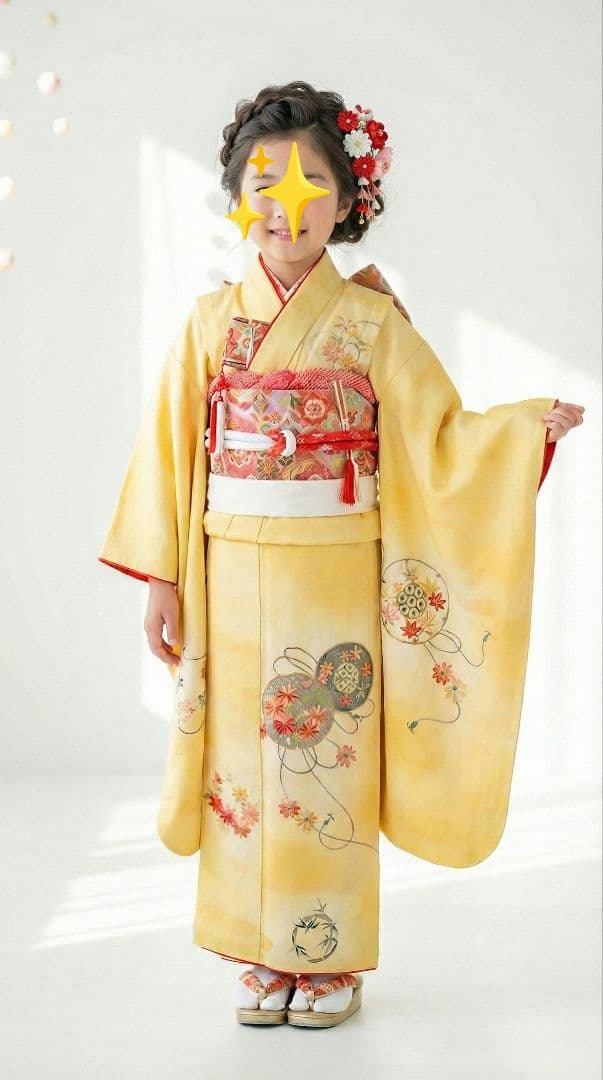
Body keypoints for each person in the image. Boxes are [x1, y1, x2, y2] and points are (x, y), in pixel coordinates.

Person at [97, 80, 585, 1028]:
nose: (287, 208)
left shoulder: (370, 324)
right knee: (242, 760)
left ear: (349, 198)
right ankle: (258, 948)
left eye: (312, 184)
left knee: (325, 752)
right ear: (236, 197)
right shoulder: (208, 324)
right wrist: (163, 577)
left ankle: (326, 958)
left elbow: (440, 439)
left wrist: (521, 430)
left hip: (335, 575)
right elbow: (166, 453)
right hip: (229, 570)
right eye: (264, 185)